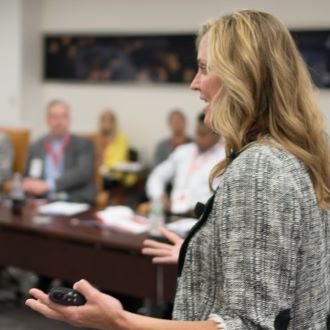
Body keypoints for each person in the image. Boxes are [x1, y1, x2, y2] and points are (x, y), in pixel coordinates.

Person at [26, 10, 330, 330]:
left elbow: (246, 326)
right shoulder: (297, 154)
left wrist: (119, 320)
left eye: (203, 68)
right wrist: (203, 254)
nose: (193, 84)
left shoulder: (259, 169)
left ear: (243, 75)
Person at [146, 113, 224, 215]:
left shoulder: (224, 156)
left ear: (216, 135)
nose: (198, 138)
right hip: (173, 213)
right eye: (197, 133)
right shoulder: (183, 151)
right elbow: (157, 175)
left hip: (202, 217)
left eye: (203, 134)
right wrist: (159, 196)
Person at [23, 100, 96, 205]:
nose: (59, 121)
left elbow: (82, 174)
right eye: (54, 117)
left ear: (69, 120)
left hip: (73, 200)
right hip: (43, 201)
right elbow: (29, 175)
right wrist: (29, 184)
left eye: (63, 116)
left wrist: (48, 185)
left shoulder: (83, 144)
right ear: (47, 120)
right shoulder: (36, 146)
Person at [97, 109, 136, 190]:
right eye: (104, 120)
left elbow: (118, 160)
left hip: (115, 174)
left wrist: (104, 166)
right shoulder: (96, 138)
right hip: (98, 173)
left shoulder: (121, 138)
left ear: (114, 122)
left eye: (110, 121)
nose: (107, 124)